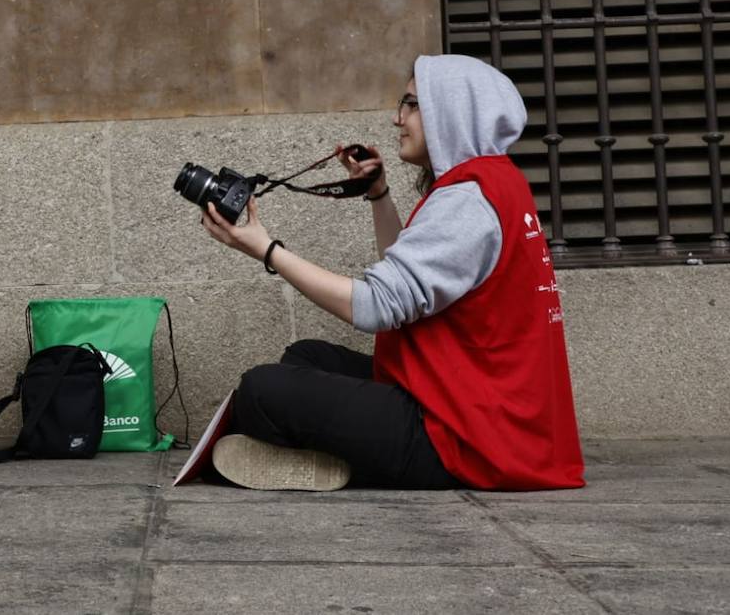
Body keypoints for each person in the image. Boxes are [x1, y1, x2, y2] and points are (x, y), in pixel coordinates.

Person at [199, 54, 585, 492]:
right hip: (478, 408)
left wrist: (267, 250)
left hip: (465, 441)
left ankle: (341, 462)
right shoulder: (493, 184)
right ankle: (331, 458)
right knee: (307, 357)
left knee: (260, 390)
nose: (397, 118)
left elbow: (379, 306)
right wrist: (377, 193)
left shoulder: (467, 201)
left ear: (452, 111)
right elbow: (413, 278)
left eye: (412, 104)